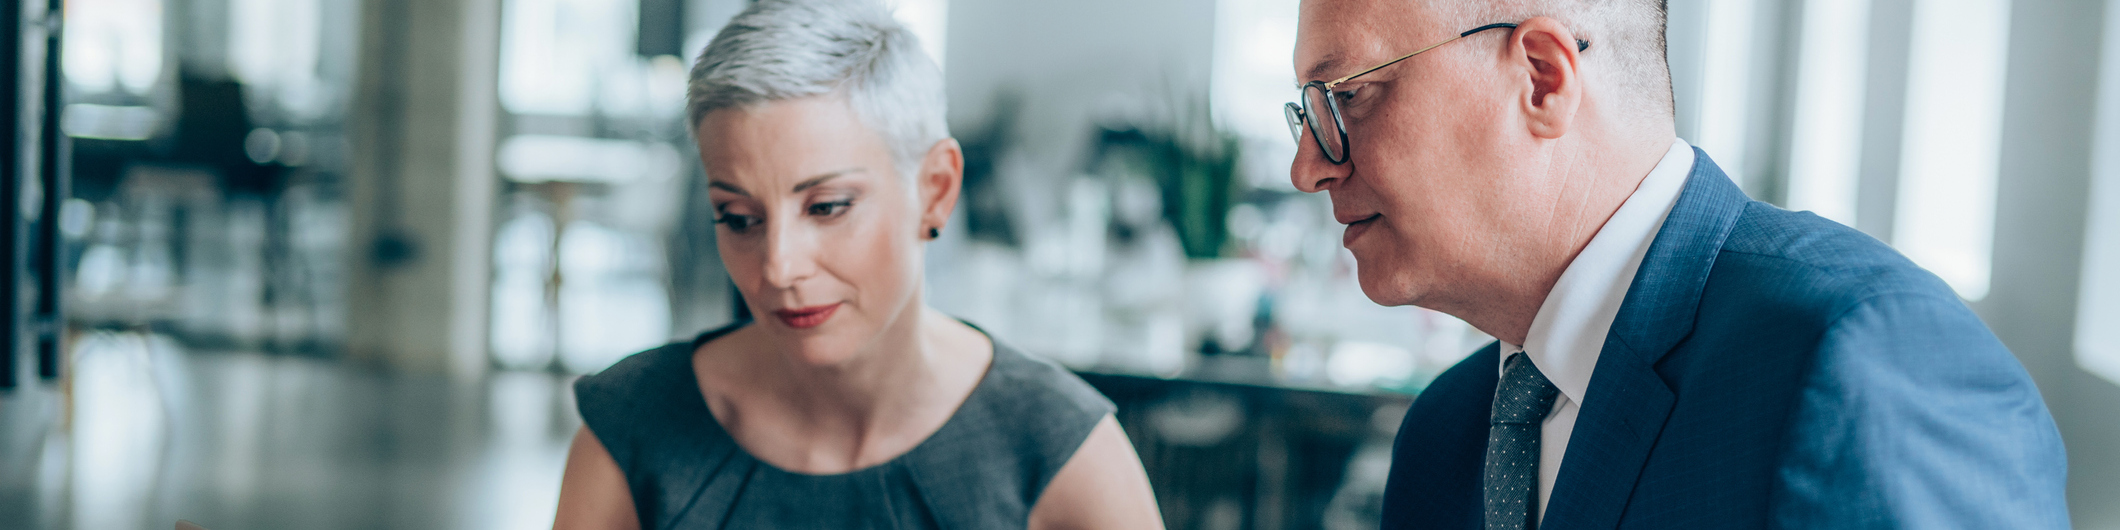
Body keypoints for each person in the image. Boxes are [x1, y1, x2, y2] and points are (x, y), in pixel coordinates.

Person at [1284, 1, 2070, 528]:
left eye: (1349, 97)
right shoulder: (1444, 434)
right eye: (1308, 108)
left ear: (1543, 79)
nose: (1307, 166)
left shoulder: (1860, 355)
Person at [550, 1, 1165, 528]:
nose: (779, 266)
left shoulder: (1059, 450)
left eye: (828, 206)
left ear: (936, 189)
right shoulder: (632, 430)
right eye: (739, 217)